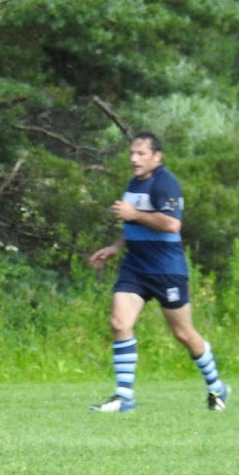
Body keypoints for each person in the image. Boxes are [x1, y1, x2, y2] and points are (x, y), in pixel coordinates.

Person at [87, 131, 229, 412]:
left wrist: (134, 214)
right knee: (119, 323)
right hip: (135, 267)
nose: (134, 159)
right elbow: (134, 224)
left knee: (183, 334)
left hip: (166, 270)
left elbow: (171, 225)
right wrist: (116, 246)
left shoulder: (166, 183)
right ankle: (124, 397)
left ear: (157, 157)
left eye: (140, 154)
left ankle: (216, 386)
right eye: (131, 153)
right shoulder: (134, 183)